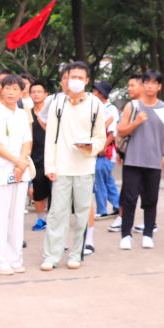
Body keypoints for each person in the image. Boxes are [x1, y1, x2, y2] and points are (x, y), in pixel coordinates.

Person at [41, 62, 106, 270]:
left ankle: (76, 255)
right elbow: (51, 137)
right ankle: (51, 256)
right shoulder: (57, 104)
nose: (76, 81)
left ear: (87, 81)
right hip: (61, 168)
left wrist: (91, 146)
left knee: (82, 214)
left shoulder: (96, 104)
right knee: (56, 214)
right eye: (72, 77)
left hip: (85, 168)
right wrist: (49, 166)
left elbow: (101, 137)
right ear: (66, 80)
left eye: (80, 77)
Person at [114, 69, 164, 249]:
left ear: (159, 86)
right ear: (143, 85)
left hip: (154, 161)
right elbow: (121, 132)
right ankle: (126, 235)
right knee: (129, 199)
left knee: (151, 200)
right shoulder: (132, 106)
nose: (150, 86)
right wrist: (136, 122)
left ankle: (148, 234)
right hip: (133, 160)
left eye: (154, 83)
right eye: (147, 82)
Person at [0, 75, 33, 275]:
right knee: (0, 217)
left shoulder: (22, 114)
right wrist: (17, 162)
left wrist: (21, 163)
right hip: (1, 173)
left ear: (22, 91)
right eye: (8, 88)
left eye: (15, 88)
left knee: (16, 217)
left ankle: (15, 258)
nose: (11, 92)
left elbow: (27, 140)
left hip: (20, 172)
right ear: (1, 90)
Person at [108, 74, 144, 234]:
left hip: (145, 154)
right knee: (128, 190)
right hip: (130, 154)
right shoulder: (130, 106)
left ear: (142, 86)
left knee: (147, 191)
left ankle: (150, 222)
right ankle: (122, 218)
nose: (129, 88)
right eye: (128, 85)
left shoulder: (146, 106)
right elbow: (121, 131)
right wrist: (120, 152)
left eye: (132, 85)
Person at [91, 80, 120, 220]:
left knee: (99, 177)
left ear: (101, 93)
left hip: (106, 151)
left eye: (94, 91)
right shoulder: (97, 107)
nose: (92, 93)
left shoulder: (110, 108)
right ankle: (119, 206)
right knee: (107, 179)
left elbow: (113, 132)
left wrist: (103, 146)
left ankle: (102, 209)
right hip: (101, 149)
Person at [28, 80, 50, 232]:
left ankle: (55, 220)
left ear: (45, 94)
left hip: (52, 156)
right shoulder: (27, 114)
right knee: (38, 190)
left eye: (39, 91)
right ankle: (41, 219)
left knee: (55, 191)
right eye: (33, 92)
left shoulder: (51, 113)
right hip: (35, 157)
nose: (36, 94)